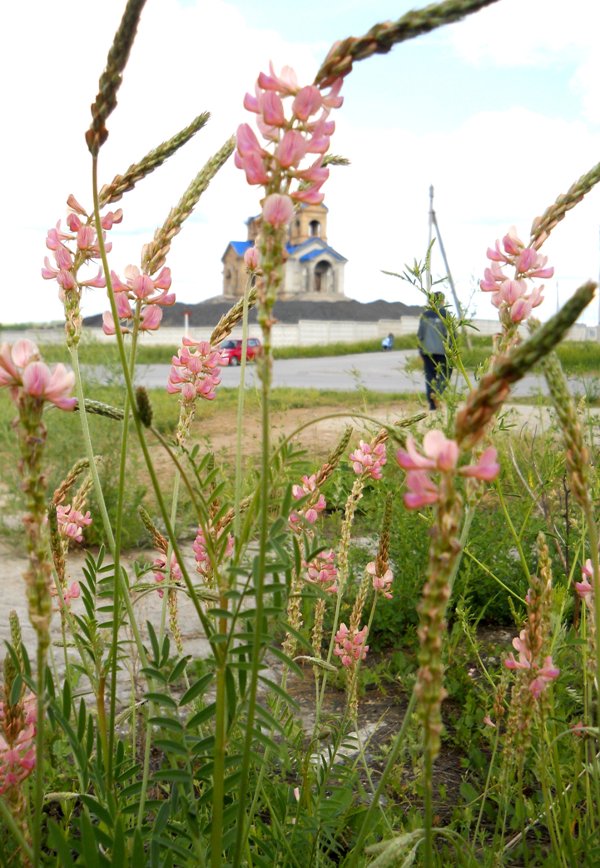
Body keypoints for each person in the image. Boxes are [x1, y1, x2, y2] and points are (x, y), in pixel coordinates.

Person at [417, 292, 452, 410]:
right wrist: (452, 351)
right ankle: (437, 392)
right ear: (442, 301)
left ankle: (432, 405)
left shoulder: (425, 314)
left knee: (430, 376)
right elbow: (450, 335)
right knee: (445, 374)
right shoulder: (445, 314)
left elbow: (420, 335)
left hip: (427, 351)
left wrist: (420, 351)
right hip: (443, 351)